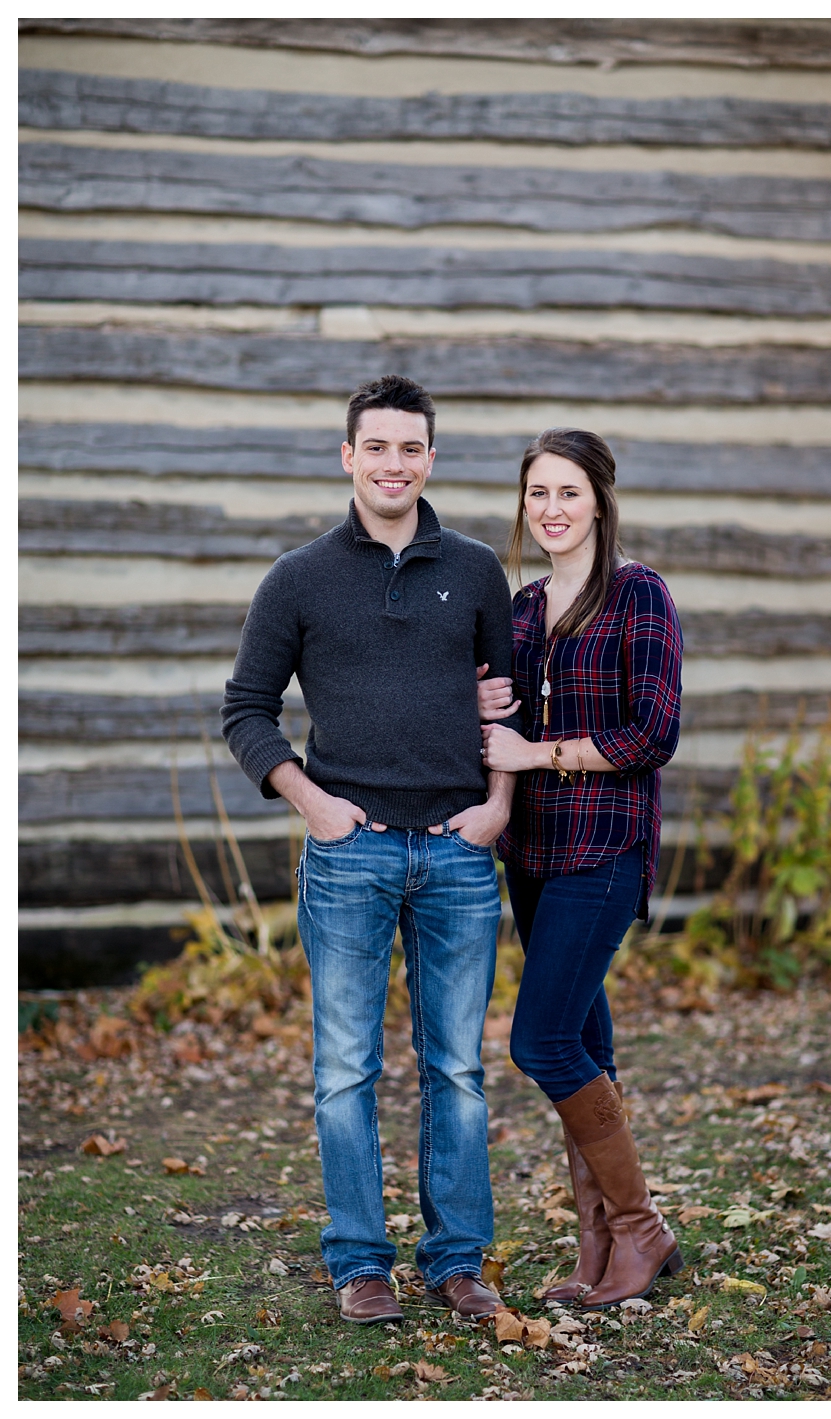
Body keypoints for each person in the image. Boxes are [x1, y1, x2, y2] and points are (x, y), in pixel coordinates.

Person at [221, 375, 517, 1325]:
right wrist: (309, 801)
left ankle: (458, 1260)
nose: (395, 464)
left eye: (412, 448)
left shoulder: (474, 571)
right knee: (345, 1067)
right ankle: (360, 1262)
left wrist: (500, 807)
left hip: (459, 856)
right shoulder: (298, 577)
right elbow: (246, 710)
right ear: (347, 455)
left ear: (432, 458)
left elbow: (508, 706)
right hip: (350, 853)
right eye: (377, 447)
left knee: (458, 1070)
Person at [474, 428, 687, 1308]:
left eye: (568, 492)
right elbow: (497, 731)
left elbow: (652, 734)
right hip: (533, 853)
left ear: (599, 498)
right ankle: (597, 1247)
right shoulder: (520, 610)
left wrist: (538, 753)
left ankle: (642, 1230)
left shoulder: (640, 596)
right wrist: (481, 707)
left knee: (542, 1041)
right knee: (586, 1044)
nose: (552, 510)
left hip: (605, 847)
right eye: (537, 495)